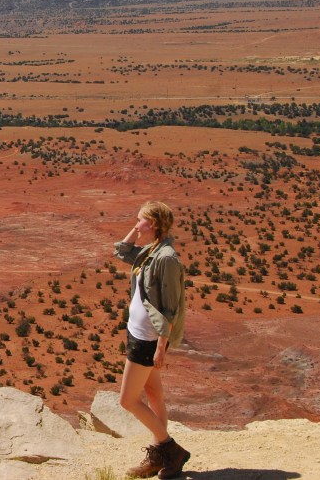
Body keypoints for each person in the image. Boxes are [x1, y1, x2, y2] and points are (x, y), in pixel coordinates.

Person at [113, 201, 190, 479]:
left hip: (148, 340)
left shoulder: (166, 258)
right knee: (154, 394)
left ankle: (171, 450)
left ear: (154, 223)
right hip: (137, 333)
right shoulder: (150, 250)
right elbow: (122, 252)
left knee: (127, 401)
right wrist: (133, 233)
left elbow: (170, 307)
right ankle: (161, 455)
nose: (136, 223)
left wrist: (161, 347)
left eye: (140, 220)